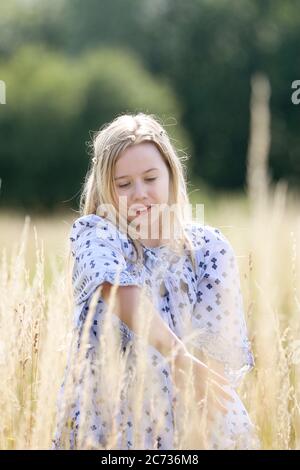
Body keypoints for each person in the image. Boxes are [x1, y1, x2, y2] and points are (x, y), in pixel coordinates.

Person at [51, 113, 259, 450]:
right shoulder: (95, 236)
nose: (140, 193)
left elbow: (212, 365)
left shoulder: (208, 250)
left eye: (150, 178)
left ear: (171, 175)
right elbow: (118, 289)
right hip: (108, 425)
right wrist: (180, 358)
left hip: (186, 423)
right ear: (106, 186)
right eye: (124, 184)